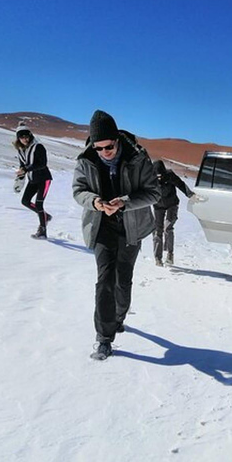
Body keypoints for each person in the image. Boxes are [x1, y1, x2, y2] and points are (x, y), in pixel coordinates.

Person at [72, 110, 160, 360]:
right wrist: (97, 202)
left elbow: (153, 193)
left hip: (131, 228)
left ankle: (119, 316)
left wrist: (124, 202)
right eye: (98, 148)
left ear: (117, 140)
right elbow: (79, 190)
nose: (103, 152)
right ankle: (104, 338)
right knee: (105, 280)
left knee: (123, 280)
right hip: (102, 227)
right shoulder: (86, 159)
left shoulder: (138, 157)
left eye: (108, 147)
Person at [151, 159, 199, 266]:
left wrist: (190, 194)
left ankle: (170, 254)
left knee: (168, 227)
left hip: (172, 204)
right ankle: (158, 258)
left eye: (161, 175)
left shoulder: (170, 175)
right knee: (157, 231)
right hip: (158, 206)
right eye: (157, 176)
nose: (160, 178)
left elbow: (181, 184)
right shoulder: (150, 178)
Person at [13, 122, 53, 239]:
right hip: (33, 179)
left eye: (27, 136)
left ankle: (42, 231)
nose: (25, 139)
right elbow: (22, 165)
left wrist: (26, 169)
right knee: (25, 201)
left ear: (30, 136)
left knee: (39, 204)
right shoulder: (21, 150)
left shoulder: (38, 147)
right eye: (22, 137)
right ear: (18, 138)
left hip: (44, 179)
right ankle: (45, 216)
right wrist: (20, 175)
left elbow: (42, 164)